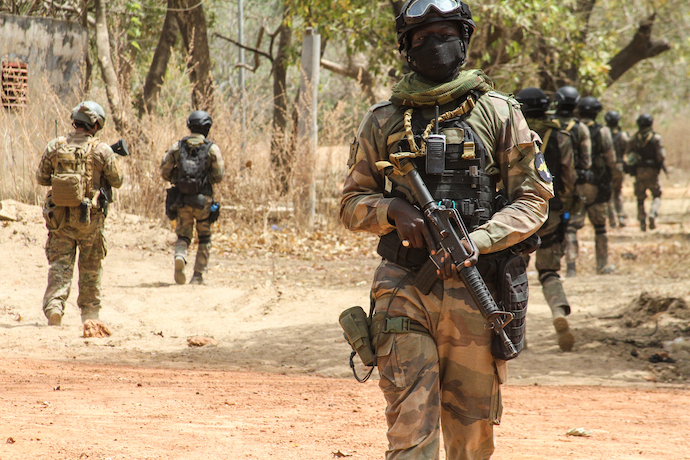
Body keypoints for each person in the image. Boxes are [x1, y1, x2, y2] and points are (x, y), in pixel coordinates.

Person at [340, 2, 553, 458]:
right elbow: (351, 203)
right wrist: (392, 208)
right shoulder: (383, 119)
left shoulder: (499, 113)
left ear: (464, 40)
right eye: (422, 37)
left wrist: (476, 241)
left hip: (478, 293)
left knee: (471, 437)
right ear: (406, 49)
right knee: (410, 429)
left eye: (445, 33)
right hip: (404, 287)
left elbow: (534, 201)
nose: (435, 44)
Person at [36, 101, 123, 326]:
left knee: (60, 265)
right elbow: (117, 180)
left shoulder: (55, 146)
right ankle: (90, 314)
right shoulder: (102, 150)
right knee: (91, 266)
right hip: (90, 220)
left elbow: (42, 178)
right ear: (96, 125)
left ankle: (55, 307)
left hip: (60, 219)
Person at [516, 87, 576, 351]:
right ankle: (558, 314)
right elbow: (569, 175)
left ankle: (519, 334)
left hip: (517, 212)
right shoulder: (561, 136)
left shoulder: (512, 133)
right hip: (550, 210)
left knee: (514, 271)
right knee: (549, 271)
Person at [161, 110, 224, 285]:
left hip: (181, 199)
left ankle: (180, 255)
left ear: (190, 126)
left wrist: (178, 180)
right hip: (203, 201)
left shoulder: (177, 146)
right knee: (204, 237)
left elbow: (164, 171)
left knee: (183, 236)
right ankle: (197, 276)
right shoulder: (212, 148)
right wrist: (205, 181)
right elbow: (219, 175)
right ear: (207, 128)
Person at [567, 96, 616, 274]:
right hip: (596, 184)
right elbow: (611, 160)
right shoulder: (602, 131)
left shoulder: (572, 128)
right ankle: (602, 265)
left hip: (574, 184)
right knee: (600, 227)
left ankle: (571, 267)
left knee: (571, 226)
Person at [550, 86, 592, 277]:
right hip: (570, 184)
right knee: (568, 224)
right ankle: (570, 266)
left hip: (545, 181)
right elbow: (586, 161)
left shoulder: (547, 123)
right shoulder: (580, 128)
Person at [626, 113, 665, 231]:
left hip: (639, 171)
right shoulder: (656, 138)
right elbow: (661, 156)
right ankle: (653, 213)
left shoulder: (633, 138)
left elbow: (628, 155)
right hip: (652, 171)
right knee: (657, 195)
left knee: (640, 198)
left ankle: (642, 222)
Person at [604, 110, 629, 227]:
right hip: (618, 166)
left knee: (608, 194)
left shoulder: (604, 133)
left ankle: (612, 220)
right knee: (618, 192)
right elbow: (627, 149)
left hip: (606, 167)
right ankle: (621, 216)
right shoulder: (622, 135)